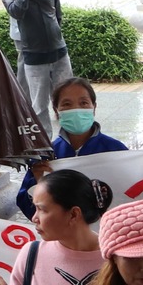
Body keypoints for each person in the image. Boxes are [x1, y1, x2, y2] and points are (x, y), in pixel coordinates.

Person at [0, 169, 109, 285]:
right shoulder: (32, 254)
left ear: (73, 214)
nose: (34, 218)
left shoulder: (114, 259)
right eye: (35, 208)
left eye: (42, 209)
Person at [13, 78, 128, 216]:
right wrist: (38, 183)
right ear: (56, 111)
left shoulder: (115, 150)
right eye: (67, 104)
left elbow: (133, 191)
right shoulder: (46, 156)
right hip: (63, 235)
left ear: (94, 107)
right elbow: (27, 208)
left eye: (83, 103)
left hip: (107, 233)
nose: (76, 110)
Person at [2, 0, 72, 130]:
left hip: (59, 51)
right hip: (34, 56)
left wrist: (56, 34)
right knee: (39, 105)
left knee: (67, 97)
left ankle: (71, 139)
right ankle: (46, 147)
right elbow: (18, 11)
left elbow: (58, 14)